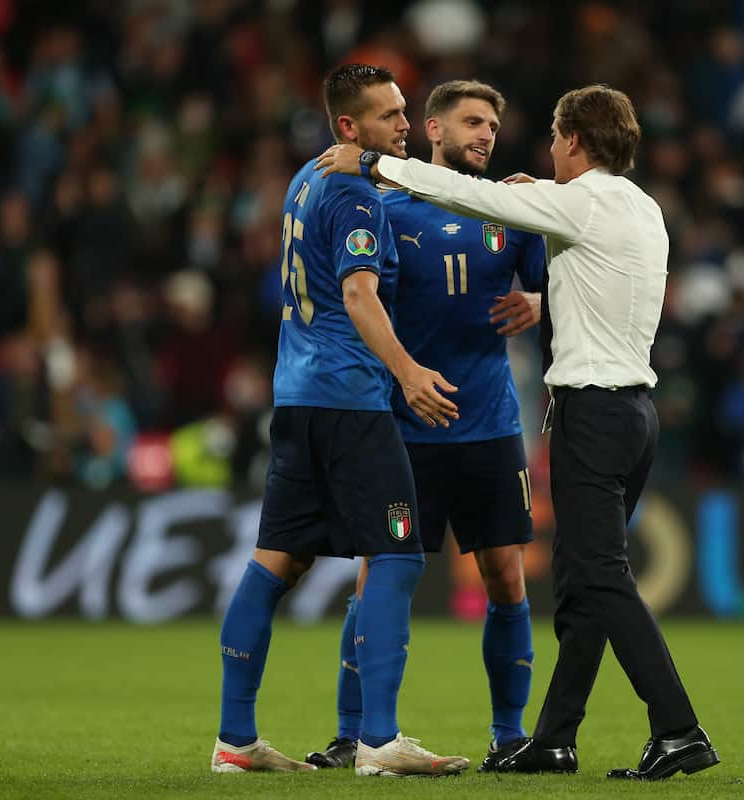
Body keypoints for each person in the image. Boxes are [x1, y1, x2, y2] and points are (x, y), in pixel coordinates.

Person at [317, 83, 720, 782]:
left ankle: (679, 728)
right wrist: (543, 295)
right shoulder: (644, 207)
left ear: (571, 141)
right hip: (634, 413)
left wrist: (376, 165)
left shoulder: (567, 201)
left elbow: (483, 201)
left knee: (598, 575)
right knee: (580, 586)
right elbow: (594, 274)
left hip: (590, 413)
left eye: (551, 137)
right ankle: (555, 735)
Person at [211, 63, 469, 778]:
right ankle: (379, 742)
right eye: (389, 116)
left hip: (295, 400)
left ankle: (235, 740)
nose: (405, 125)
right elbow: (359, 296)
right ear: (350, 127)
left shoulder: (306, 179)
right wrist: (408, 372)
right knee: (397, 553)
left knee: (275, 563)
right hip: (349, 401)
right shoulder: (355, 193)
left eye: (404, 111)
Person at [305, 80, 545, 772]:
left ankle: (508, 734)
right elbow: (353, 296)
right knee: (378, 578)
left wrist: (535, 295)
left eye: (494, 125)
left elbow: (551, 277)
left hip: (491, 424)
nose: (487, 134)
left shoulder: (510, 209)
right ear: (433, 131)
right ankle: (356, 733)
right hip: (404, 427)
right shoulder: (380, 206)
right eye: (472, 121)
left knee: (506, 575)